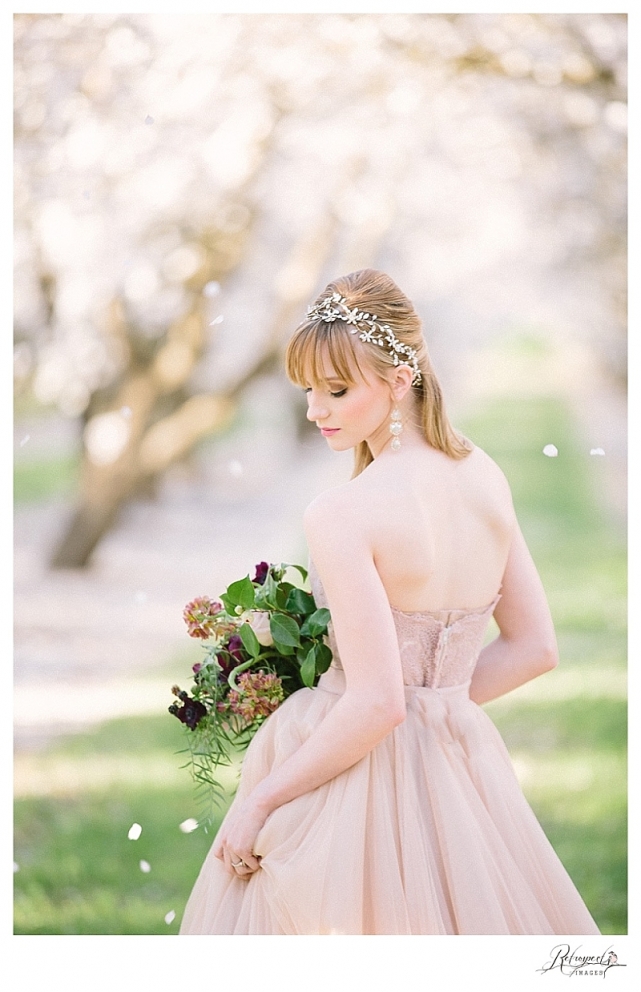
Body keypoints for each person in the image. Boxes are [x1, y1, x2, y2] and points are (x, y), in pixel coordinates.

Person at [179, 268, 600, 935]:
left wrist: (259, 798)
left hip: (348, 780)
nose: (316, 410)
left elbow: (375, 702)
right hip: (457, 770)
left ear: (399, 381)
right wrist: (436, 707)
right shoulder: (484, 476)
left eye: (337, 390)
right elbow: (532, 648)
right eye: (309, 391)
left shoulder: (344, 512)